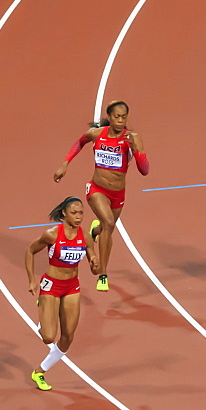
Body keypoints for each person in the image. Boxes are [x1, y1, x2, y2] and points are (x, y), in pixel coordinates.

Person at [53, 100, 148, 293]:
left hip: (118, 194)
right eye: (116, 116)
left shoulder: (132, 138)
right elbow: (79, 143)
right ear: (110, 117)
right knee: (109, 223)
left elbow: (144, 171)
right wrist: (65, 164)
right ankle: (103, 275)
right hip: (97, 189)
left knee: (106, 229)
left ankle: (94, 232)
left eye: (124, 117)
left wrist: (137, 151)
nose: (120, 120)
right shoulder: (97, 134)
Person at [25, 196, 99, 391]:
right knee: (48, 337)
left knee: (68, 336)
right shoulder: (52, 234)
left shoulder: (86, 236)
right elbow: (30, 251)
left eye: (81, 213)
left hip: (72, 286)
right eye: (74, 213)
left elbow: (94, 266)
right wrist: (32, 280)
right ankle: (43, 309)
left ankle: (39, 372)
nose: (79, 217)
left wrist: (95, 264)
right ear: (64, 214)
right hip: (51, 285)